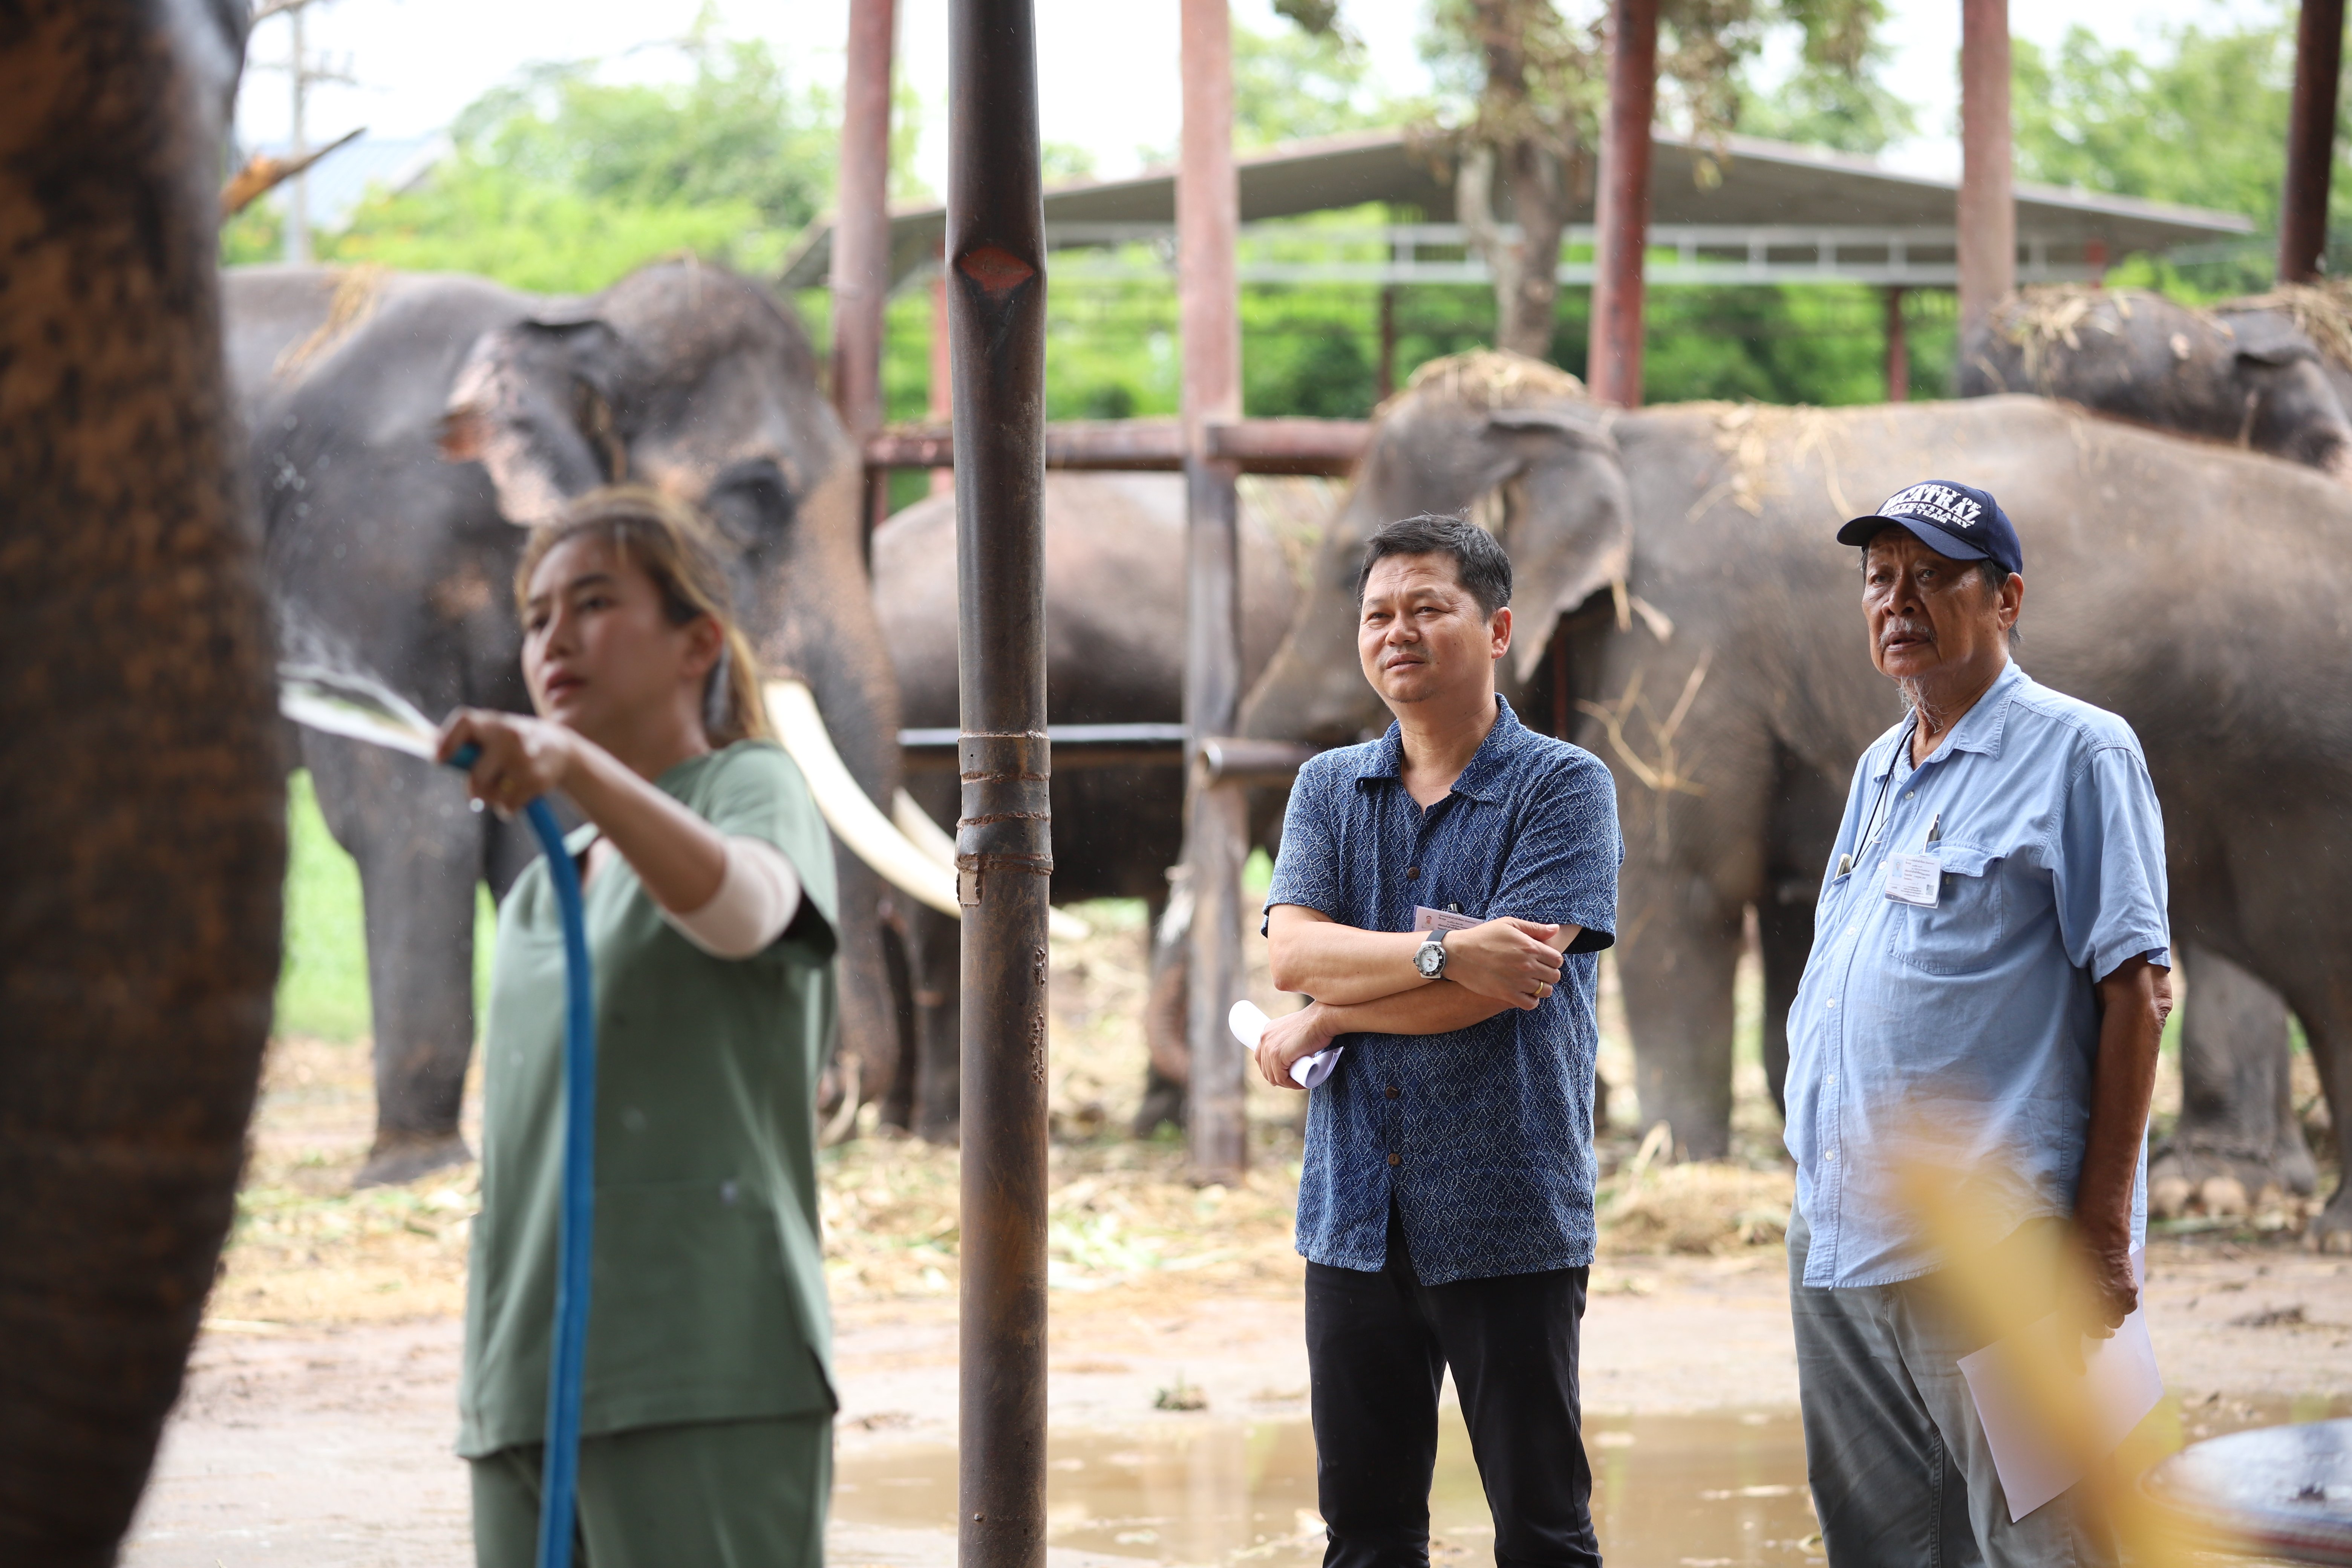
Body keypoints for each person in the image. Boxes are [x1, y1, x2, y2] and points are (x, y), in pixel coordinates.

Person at [436, 487, 838, 1567]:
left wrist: (578, 770)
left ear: (697, 641)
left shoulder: (751, 788)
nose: (554, 640)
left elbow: (750, 912)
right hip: (523, 1388)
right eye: (533, 619)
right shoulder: (539, 893)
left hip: (704, 1366)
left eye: (594, 603)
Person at [1785, 481, 2173, 1566]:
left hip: (2001, 1246)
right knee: (1888, 1544)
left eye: (1933, 577)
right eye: (1880, 580)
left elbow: (2137, 991)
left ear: (2005, 599)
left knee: (2046, 1542)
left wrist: (2098, 1234)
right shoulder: (1878, 766)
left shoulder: (2082, 753)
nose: (1898, 602)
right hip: (1840, 1233)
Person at [1253, 513, 1623, 1568]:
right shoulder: (1329, 786)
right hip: (1353, 1219)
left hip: (1508, 1211)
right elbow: (1290, 953)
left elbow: (1506, 990)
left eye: (1428, 608)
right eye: (1378, 613)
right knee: (1365, 1539)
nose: (1397, 631)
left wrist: (1332, 1009)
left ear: (1499, 626)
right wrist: (1436, 955)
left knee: (1544, 1531)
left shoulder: (1564, 787)